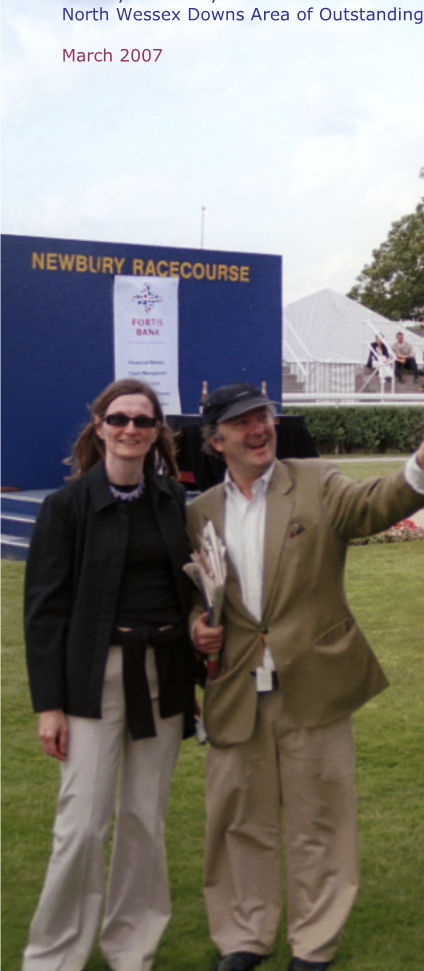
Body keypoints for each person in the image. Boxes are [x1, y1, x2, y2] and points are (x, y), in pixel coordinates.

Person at [188, 382, 424, 971]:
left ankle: (314, 943)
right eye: (242, 422)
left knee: (319, 820)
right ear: (215, 439)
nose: (259, 429)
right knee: (238, 820)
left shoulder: (317, 480)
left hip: (314, 684)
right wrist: (194, 631)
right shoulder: (198, 513)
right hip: (234, 692)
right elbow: (196, 600)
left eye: (264, 416)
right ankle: (244, 937)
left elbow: (373, 503)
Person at [22, 379, 195, 971]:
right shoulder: (65, 508)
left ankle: (132, 948)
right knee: (83, 825)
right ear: (99, 426)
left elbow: (192, 589)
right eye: (118, 419)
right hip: (91, 682)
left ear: (156, 433)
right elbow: (44, 612)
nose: (130, 429)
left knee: (146, 822)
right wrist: (50, 705)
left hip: (164, 678)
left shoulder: (173, 500)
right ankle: (53, 956)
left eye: (142, 422)